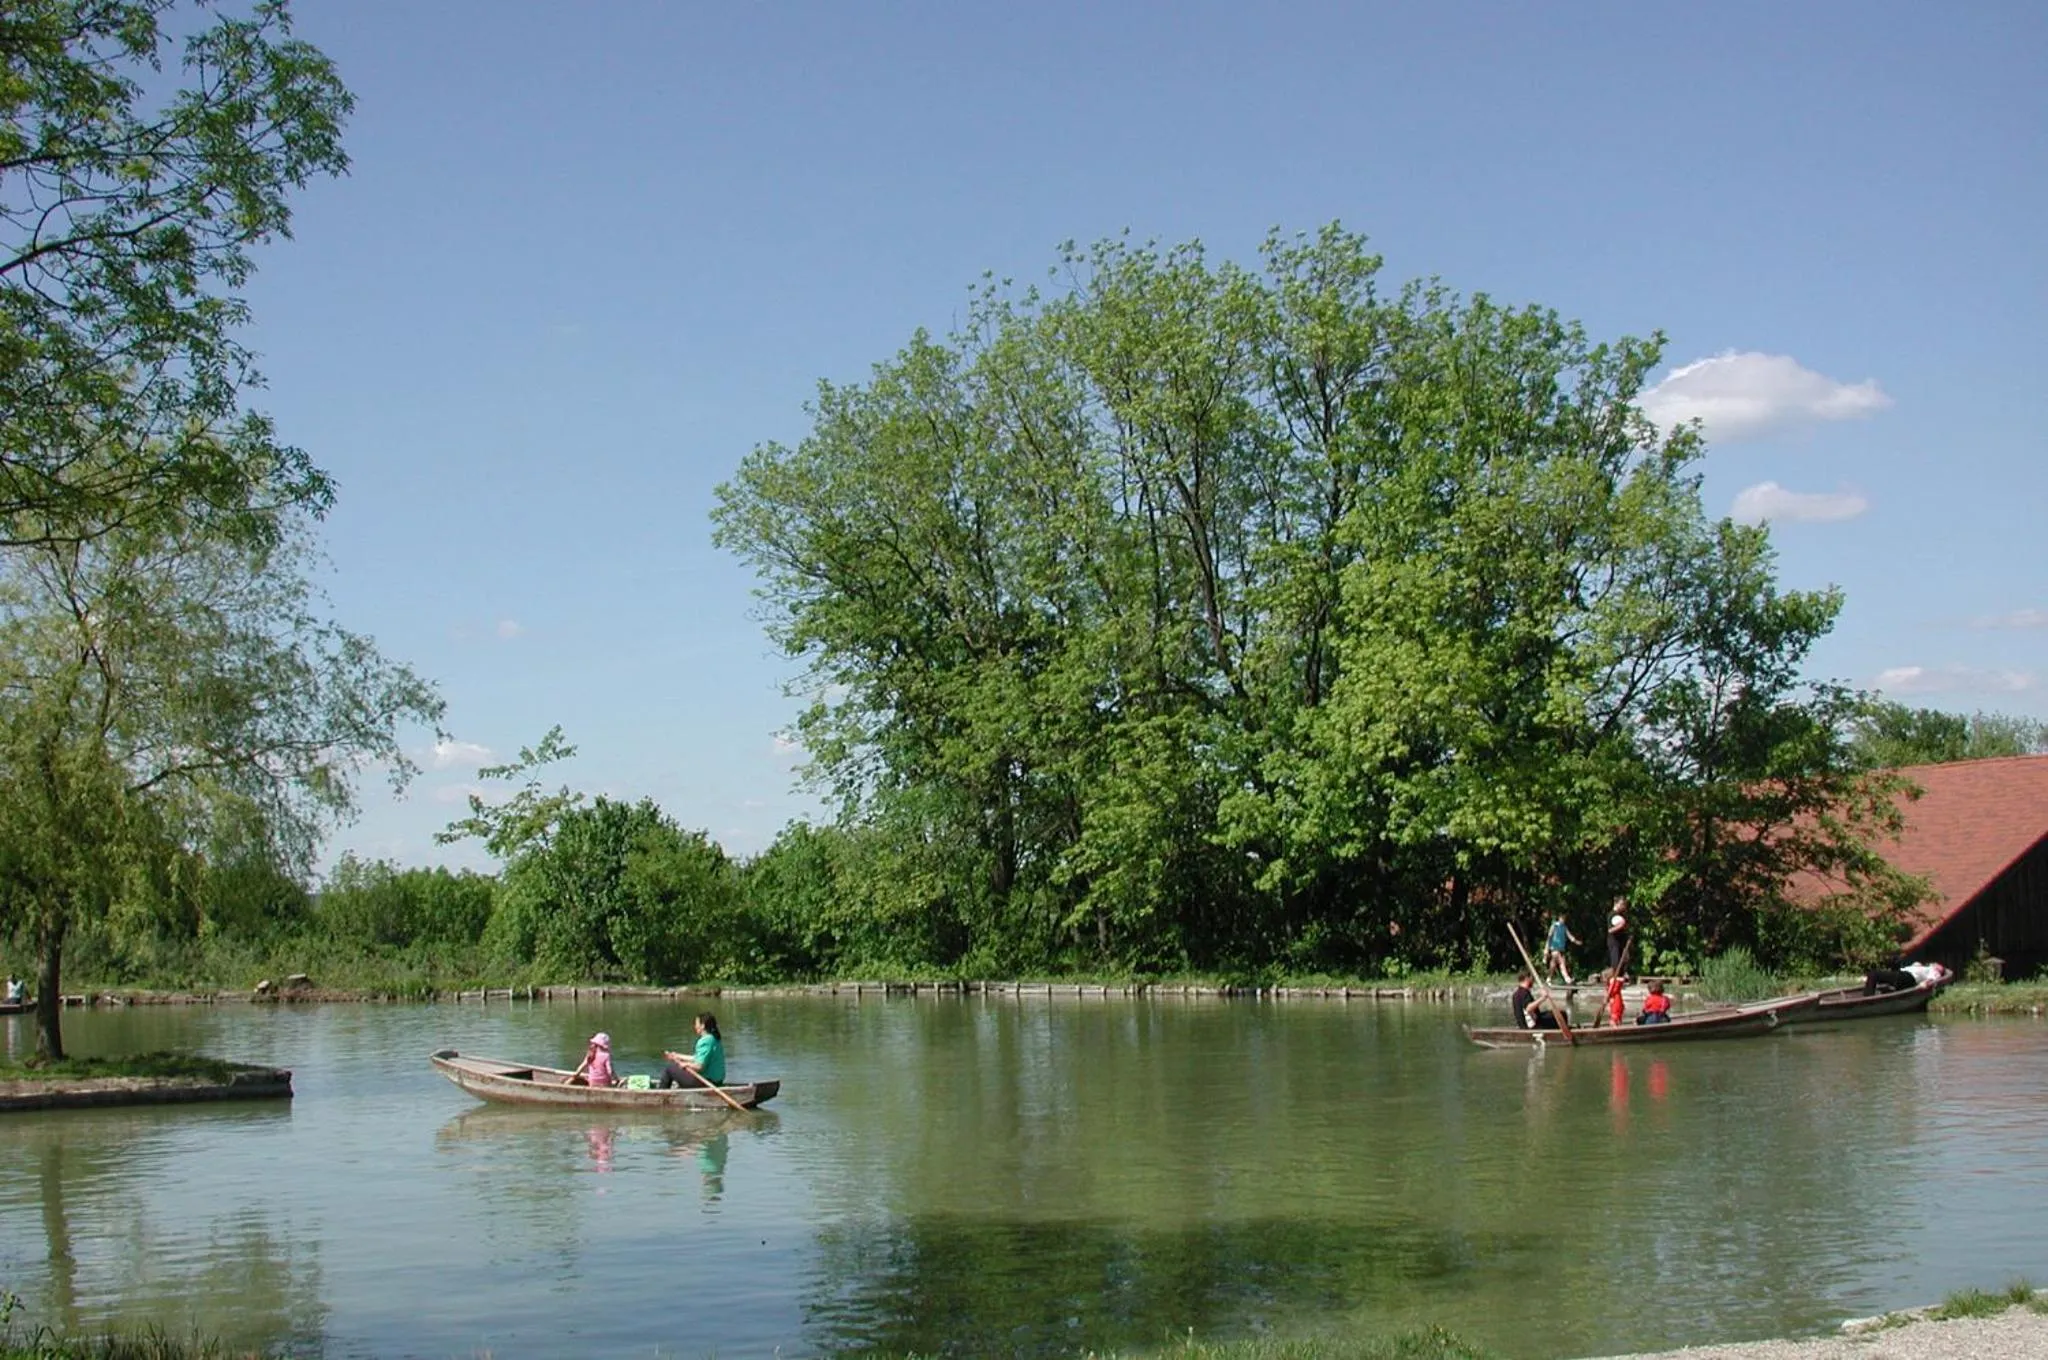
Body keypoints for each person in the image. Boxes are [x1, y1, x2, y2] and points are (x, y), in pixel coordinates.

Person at [658, 1012, 727, 1089]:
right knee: (676, 1070)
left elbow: (699, 1066)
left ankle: (661, 1095)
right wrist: (677, 1056)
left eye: (696, 1024)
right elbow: (698, 1058)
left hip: (706, 1082)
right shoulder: (714, 1039)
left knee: (669, 1069)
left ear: (702, 1026)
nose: (695, 1026)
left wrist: (686, 1064)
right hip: (716, 1081)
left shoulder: (705, 1041)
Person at [1543, 914, 1581, 985]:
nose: (1563, 920)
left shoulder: (1564, 927)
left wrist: (1576, 941)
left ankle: (1549, 978)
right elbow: (1549, 936)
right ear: (1559, 918)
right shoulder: (1554, 926)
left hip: (1561, 948)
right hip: (1554, 947)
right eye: (1562, 919)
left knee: (1554, 964)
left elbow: (1569, 936)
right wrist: (1547, 948)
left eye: (1564, 919)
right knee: (1561, 962)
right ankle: (1567, 978)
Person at [1606, 900, 1631, 979]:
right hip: (1614, 942)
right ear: (1616, 904)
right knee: (1616, 961)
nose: (1623, 906)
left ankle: (1621, 977)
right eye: (1622, 904)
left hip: (1622, 941)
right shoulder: (1612, 915)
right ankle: (1614, 978)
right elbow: (1610, 930)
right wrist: (1621, 925)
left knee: (1625, 959)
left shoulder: (1621, 915)